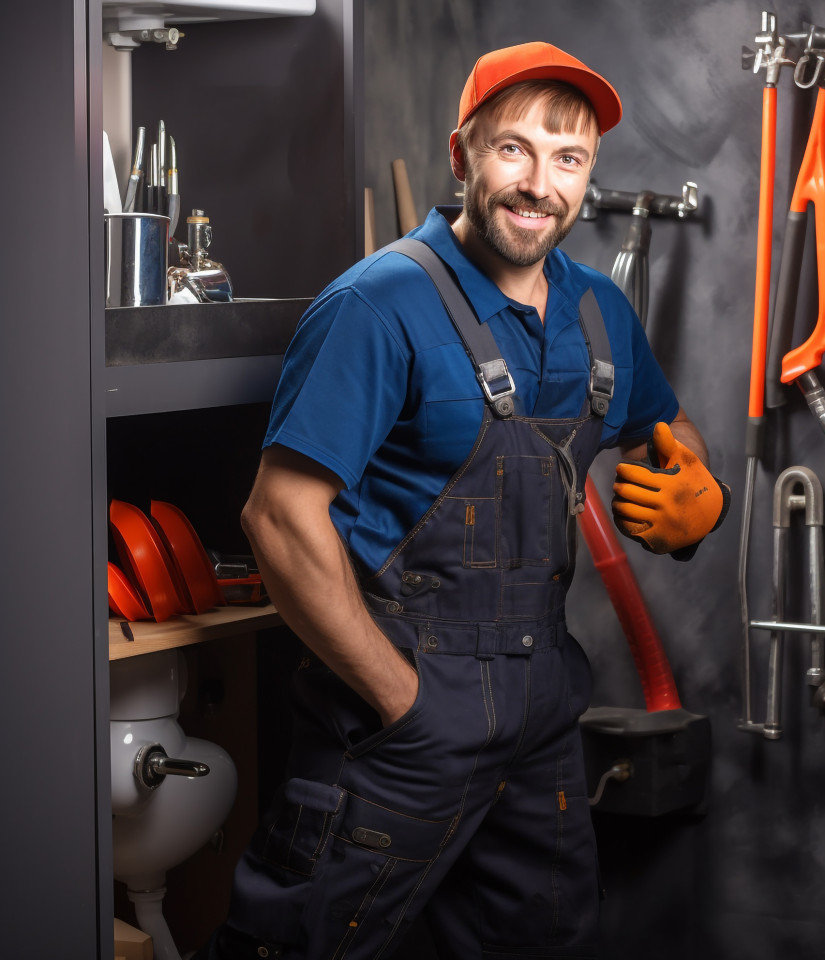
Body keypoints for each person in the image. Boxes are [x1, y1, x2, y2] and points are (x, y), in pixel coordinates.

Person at [202, 40, 728, 960]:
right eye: (512, 148)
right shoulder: (377, 305)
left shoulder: (601, 313)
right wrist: (400, 699)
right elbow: (279, 520)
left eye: (567, 159)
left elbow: (677, 444)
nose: (539, 183)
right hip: (401, 723)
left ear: (588, 174)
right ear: (462, 155)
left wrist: (705, 501)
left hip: (542, 726)